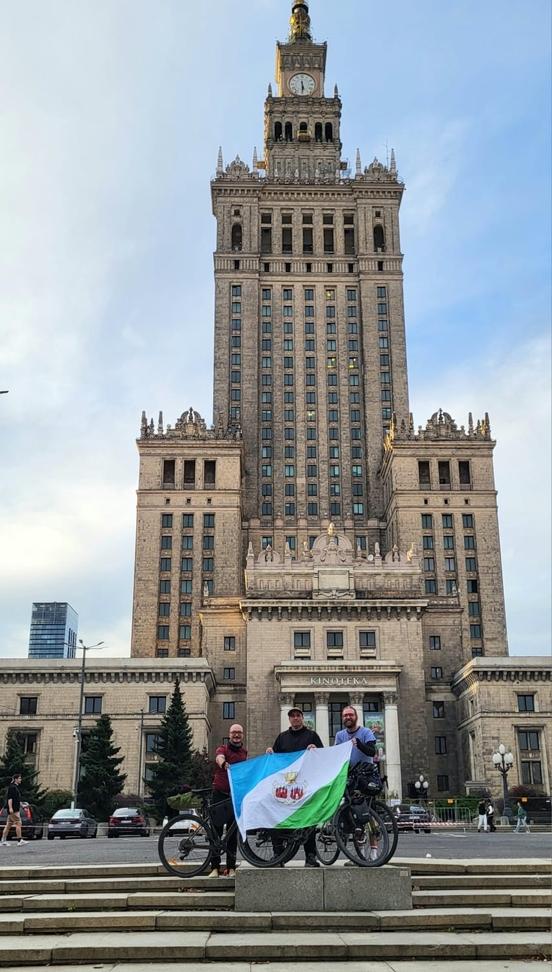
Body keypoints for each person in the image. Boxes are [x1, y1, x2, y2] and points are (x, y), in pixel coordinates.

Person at [266, 707, 324, 867]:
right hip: (285, 789)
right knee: (278, 820)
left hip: (305, 788)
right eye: (293, 716)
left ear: (302, 718)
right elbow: (275, 760)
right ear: (289, 719)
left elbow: (322, 758)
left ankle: (310, 857)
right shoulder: (282, 737)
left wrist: (316, 750)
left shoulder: (312, 736)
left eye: (298, 716)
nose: (296, 718)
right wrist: (271, 752)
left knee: (308, 822)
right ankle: (278, 855)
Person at [334, 706, 379, 861]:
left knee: (369, 814)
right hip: (349, 778)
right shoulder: (340, 735)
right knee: (352, 816)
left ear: (356, 716)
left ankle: (374, 851)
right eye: (345, 715)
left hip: (366, 776)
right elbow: (337, 755)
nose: (348, 717)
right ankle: (359, 852)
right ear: (342, 718)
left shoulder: (366, 732)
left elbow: (372, 752)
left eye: (350, 715)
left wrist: (359, 744)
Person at [208, 724, 247, 877]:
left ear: (242, 735)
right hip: (219, 794)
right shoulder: (222, 748)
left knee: (232, 833)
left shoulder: (244, 753)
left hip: (234, 796)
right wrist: (223, 763)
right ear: (229, 735)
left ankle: (231, 867)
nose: (236, 735)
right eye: (234, 733)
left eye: (239, 733)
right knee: (215, 832)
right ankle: (214, 868)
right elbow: (219, 757)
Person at [1, 773, 27, 847]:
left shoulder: (15, 787)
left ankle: (3, 840)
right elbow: (10, 798)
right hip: (14, 810)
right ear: (15, 779)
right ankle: (19, 840)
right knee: (18, 823)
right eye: (19, 778)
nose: (20, 780)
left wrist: (22, 805)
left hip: (15, 809)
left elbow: (17, 799)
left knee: (8, 825)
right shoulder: (12, 787)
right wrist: (10, 808)